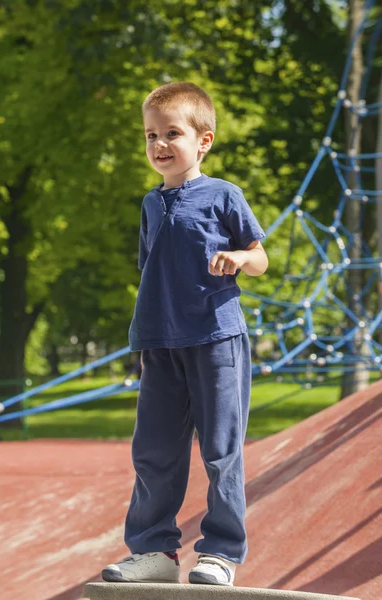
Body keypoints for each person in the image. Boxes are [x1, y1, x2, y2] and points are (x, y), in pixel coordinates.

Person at [102, 82, 268, 587]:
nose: (159, 144)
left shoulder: (224, 195)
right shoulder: (150, 206)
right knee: (153, 451)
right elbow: (151, 269)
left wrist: (240, 257)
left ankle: (220, 552)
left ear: (204, 140)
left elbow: (259, 258)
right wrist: (148, 338)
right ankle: (154, 550)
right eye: (151, 135)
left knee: (221, 450)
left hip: (216, 338)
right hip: (160, 342)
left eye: (172, 133)